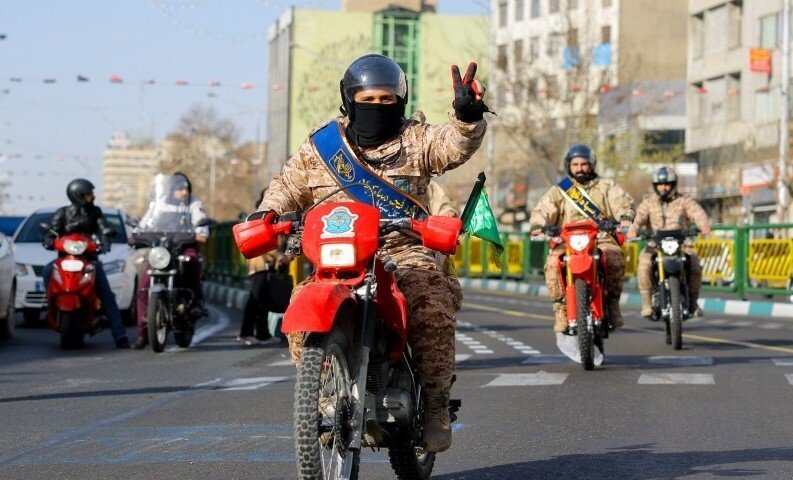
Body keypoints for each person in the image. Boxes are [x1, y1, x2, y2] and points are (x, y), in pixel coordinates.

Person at [255, 54, 489, 452]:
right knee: (300, 312)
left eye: (386, 100)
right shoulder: (321, 145)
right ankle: (326, 402)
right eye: (368, 99)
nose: (377, 108)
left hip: (402, 249)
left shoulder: (417, 140)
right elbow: (287, 185)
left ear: (400, 100)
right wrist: (267, 211)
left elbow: (453, 146)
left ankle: (434, 406)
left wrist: (466, 117)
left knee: (430, 303)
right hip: (337, 256)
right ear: (349, 99)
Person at [529, 144, 635, 334]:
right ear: (569, 166)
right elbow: (543, 210)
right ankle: (560, 310)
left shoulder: (606, 186)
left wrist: (625, 215)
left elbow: (622, 203)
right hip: (567, 241)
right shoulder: (560, 190)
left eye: (584, 164)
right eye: (575, 164)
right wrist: (538, 224)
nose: (580, 168)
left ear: (592, 164)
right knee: (553, 263)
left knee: (614, 258)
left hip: (600, 238)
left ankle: (612, 306)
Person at [43, 178, 130, 348]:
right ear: (77, 196)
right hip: (64, 260)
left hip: (88, 263)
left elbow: (104, 228)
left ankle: (119, 335)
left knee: (105, 292)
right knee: (47, 271)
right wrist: (48, 239)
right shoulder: (62, 213)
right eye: (89, 194)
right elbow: (52, 231)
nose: (93, 197)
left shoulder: (95, 212)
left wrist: (106, 240)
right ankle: (50, 304)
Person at [133, 172, 209, 349]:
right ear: (171, 190)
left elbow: (202, 230)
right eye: (180, 189)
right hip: (163, 250)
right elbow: (145, 224)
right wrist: (136, 234)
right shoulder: (160, 204)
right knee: (144, 285)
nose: (184, 192)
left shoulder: (194, 204)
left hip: (184, 248)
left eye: (186, 188)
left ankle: (195, 303)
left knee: (192, 262)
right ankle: (141, 333)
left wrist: (199, 233)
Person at [627, 166, 711, 319]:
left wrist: (704, 226)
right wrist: (633, 230)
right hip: (655, 244)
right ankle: (647, 303)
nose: (663, 187)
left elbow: (697, 212)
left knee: (695, 265)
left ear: (673, 184)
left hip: (682, 244)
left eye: (667, 184)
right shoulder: (648, 202)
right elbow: (639, 218)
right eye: (660, 184)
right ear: (655, 185)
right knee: (644, 264)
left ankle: (693, 303)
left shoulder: (684, 200)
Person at [237, 189, 290, 347]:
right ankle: (246, 333)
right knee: (255, 300)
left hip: (269, 266)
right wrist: (280, 256)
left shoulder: (274, 217)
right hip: (260, 265)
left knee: (264, 301)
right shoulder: (259, 218)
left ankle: (263, 334)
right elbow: (264, 242)